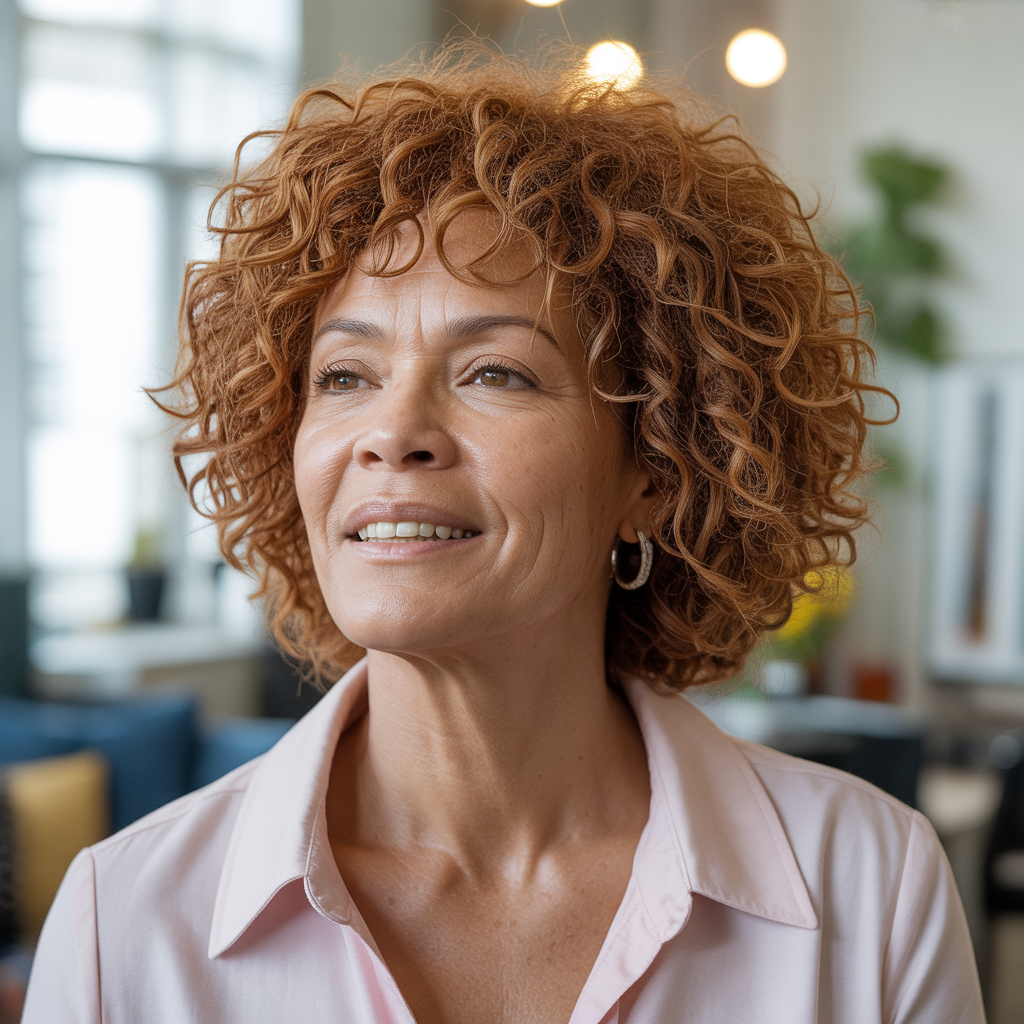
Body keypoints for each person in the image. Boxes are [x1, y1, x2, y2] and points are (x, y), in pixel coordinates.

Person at [23, 45, 984, 1023]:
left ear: (655, 466)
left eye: (495, 373)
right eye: (345, 376)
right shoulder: (127, 925)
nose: (392, 434)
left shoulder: (868, 888)